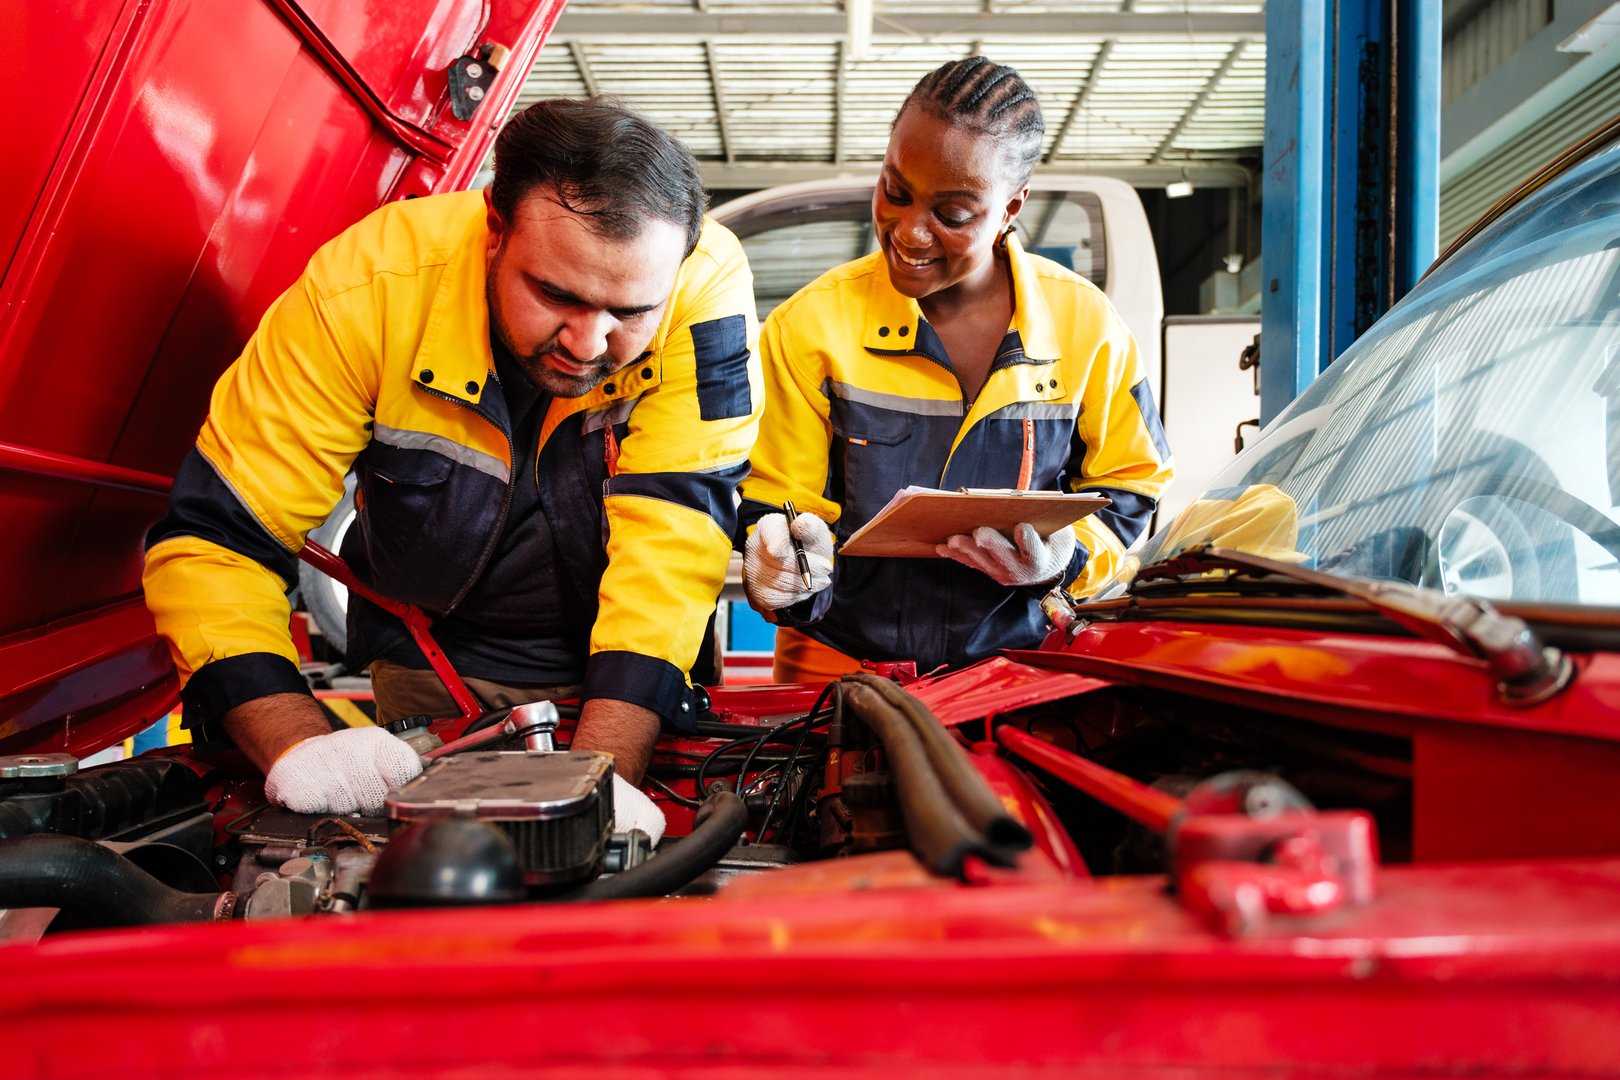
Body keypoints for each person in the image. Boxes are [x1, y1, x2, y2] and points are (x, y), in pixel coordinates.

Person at [143, 98, 762, 833]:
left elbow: (677, 530)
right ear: (494, 230)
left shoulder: (704, 284)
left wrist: (608, 770)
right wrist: (294, 738)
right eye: (556, 294)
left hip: (630, 674)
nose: (589, 343)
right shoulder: (366, 287)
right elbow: (218, 538)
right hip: (436, 667)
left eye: (629, 313)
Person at [739, 57, 1173, 682]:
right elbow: (774, 501)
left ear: (1010, 207)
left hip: (1022, 669)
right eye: (895, 191)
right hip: (838, 671)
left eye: (954, 213)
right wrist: (783, 570)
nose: (910, 231)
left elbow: (1134, 487)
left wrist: (1065, 561)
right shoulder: (811, 326)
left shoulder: (1087, 326)